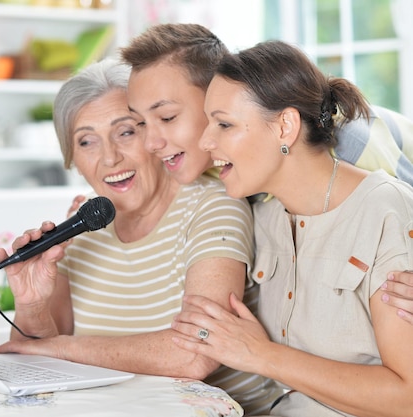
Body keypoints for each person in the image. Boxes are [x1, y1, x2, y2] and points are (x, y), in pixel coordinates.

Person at [0, 58, 282, 415]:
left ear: (155, 136)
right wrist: (33, 303)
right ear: (73, 160)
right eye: (86, 142)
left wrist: (60, 347)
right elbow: (34, 359)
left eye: (126, 131)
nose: (110, 157)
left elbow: (195, 353)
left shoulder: (212, 203)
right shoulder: (82, 225)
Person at [170, 39, 413, 416]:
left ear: (285, 126)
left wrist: (263, 356)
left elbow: (407, 397)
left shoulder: (386, 212)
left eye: (224, 124)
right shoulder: (263, 217)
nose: (206, 141)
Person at [121, 22, 413, 322]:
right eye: (140, 123)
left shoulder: (350, 144)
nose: (150, 143)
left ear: (218, 95)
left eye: (167, 117)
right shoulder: (207, 165)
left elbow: (402, 211)